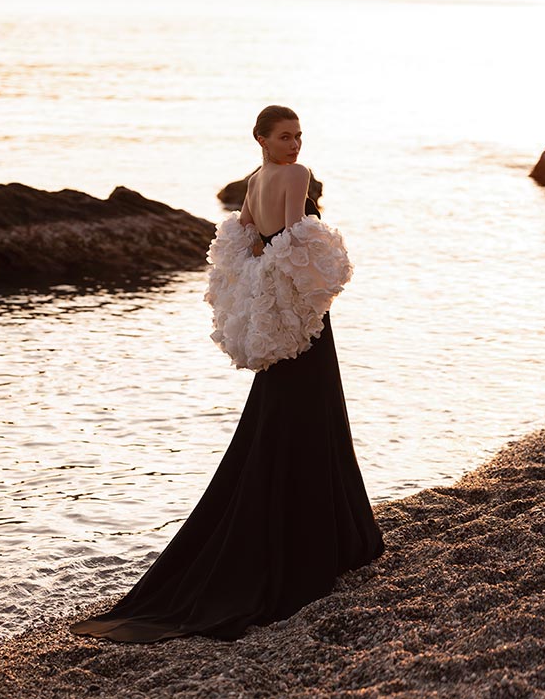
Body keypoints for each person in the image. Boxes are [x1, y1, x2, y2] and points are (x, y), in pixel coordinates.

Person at [70, 105, 384, 643]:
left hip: (278, 312)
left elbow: (246, 236)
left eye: (299, 136)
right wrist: (310, 266)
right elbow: (293, 234)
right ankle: (326, 537)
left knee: (282, 412)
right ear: (261, 138)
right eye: (285, 136)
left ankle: (315, 526)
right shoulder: (296, 175)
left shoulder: (256, 179)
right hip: (299, 314)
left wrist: (263, 267)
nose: (295, 145)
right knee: (314, 411)